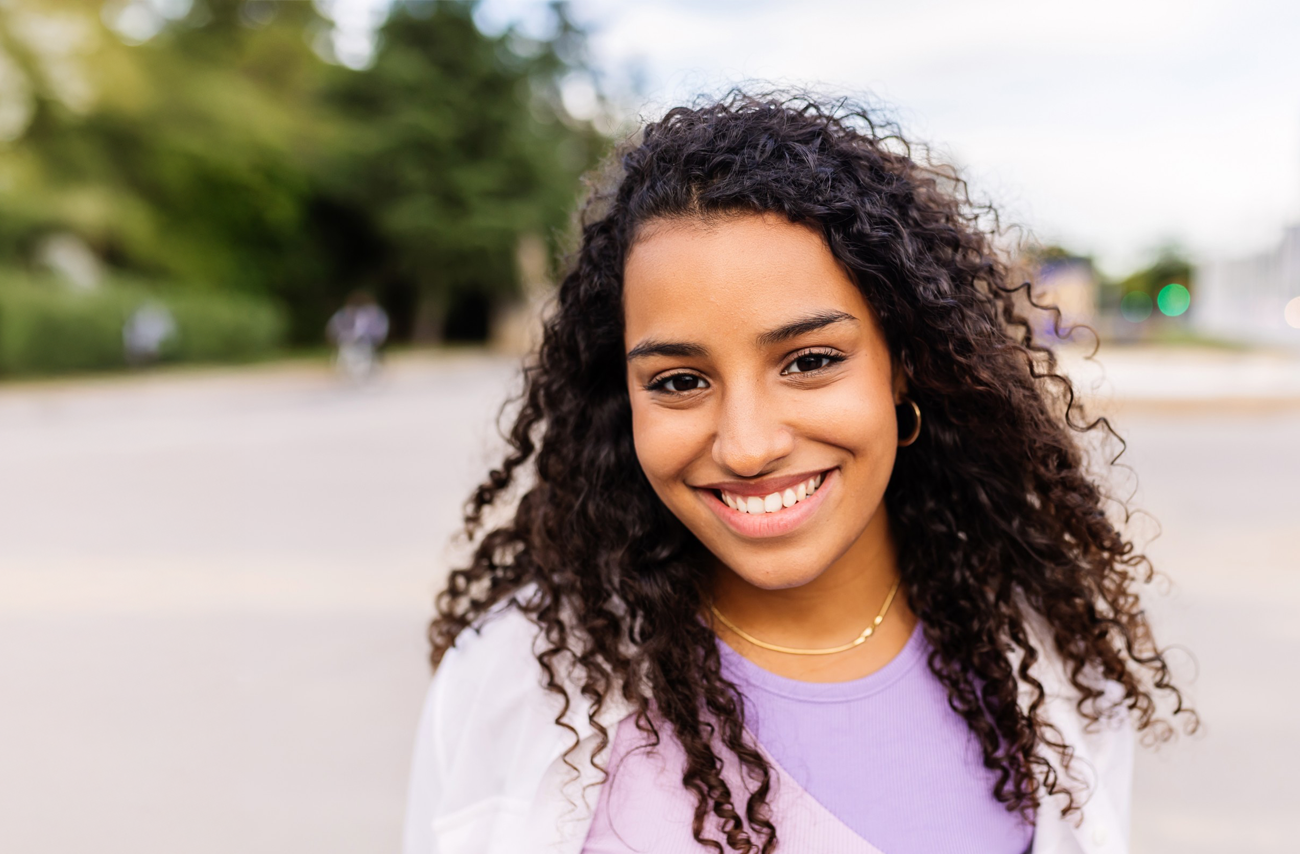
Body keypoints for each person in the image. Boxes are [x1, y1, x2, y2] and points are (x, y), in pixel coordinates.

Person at [404, 92, 1193, 854]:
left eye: (810, 361)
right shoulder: (515, 676)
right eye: (679, 381)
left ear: (905, 368)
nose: (747, 447)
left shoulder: (1045, 661)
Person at [328, 290, 390, 381]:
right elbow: (334, 328)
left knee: (363, 348)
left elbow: (367, 329)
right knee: (349, 348)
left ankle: (368, 366)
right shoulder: (343, 315)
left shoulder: (374, 315)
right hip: (356, 339)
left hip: (371, 339)